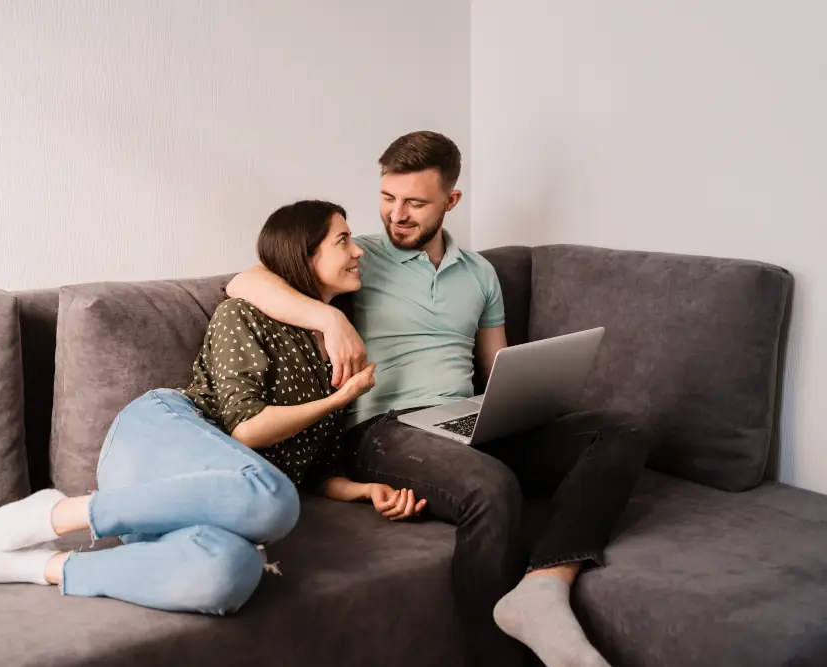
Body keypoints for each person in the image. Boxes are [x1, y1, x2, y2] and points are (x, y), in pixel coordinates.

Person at [226, 132, 653, 666]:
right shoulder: (356, 257)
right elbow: (245, 281)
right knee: (491, 486)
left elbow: (496, 366)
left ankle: (544, 585)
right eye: (388, 197)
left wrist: (531, 397)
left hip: (467, 417)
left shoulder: (480, 274)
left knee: (621, 430)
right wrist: (330, 318)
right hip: (384, 428)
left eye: (415, 203)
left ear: (451, 201)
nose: (396, 214)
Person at [0, 200, 425, 615]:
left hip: (210, 497)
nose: (358, 250)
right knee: (273, 500)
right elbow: (248, 429)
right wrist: (338, 398)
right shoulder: (246, 314)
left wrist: (363, 491)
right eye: (342, 240)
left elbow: (313, 468)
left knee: (228, 576)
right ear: (305, 254)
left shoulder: (338, 352)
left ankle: (31, 567)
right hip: (160, 436)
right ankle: (56, 514)